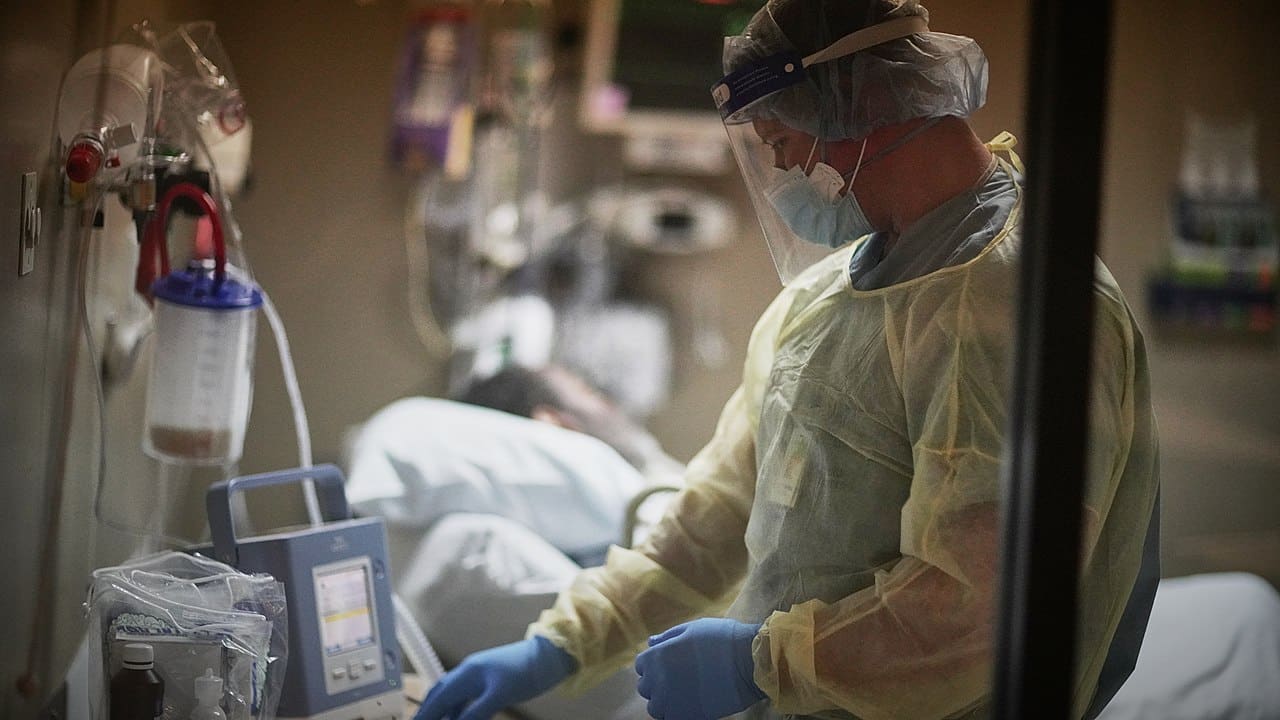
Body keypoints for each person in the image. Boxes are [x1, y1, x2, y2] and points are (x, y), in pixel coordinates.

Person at [415, 2, 1161, 719]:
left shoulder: (1025, 307)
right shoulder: (826, 297)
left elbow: (981, 614)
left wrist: (766, 664)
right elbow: (719, 514)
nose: (779, 170)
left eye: (780, 141)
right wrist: (561, 645)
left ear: (862, 102)